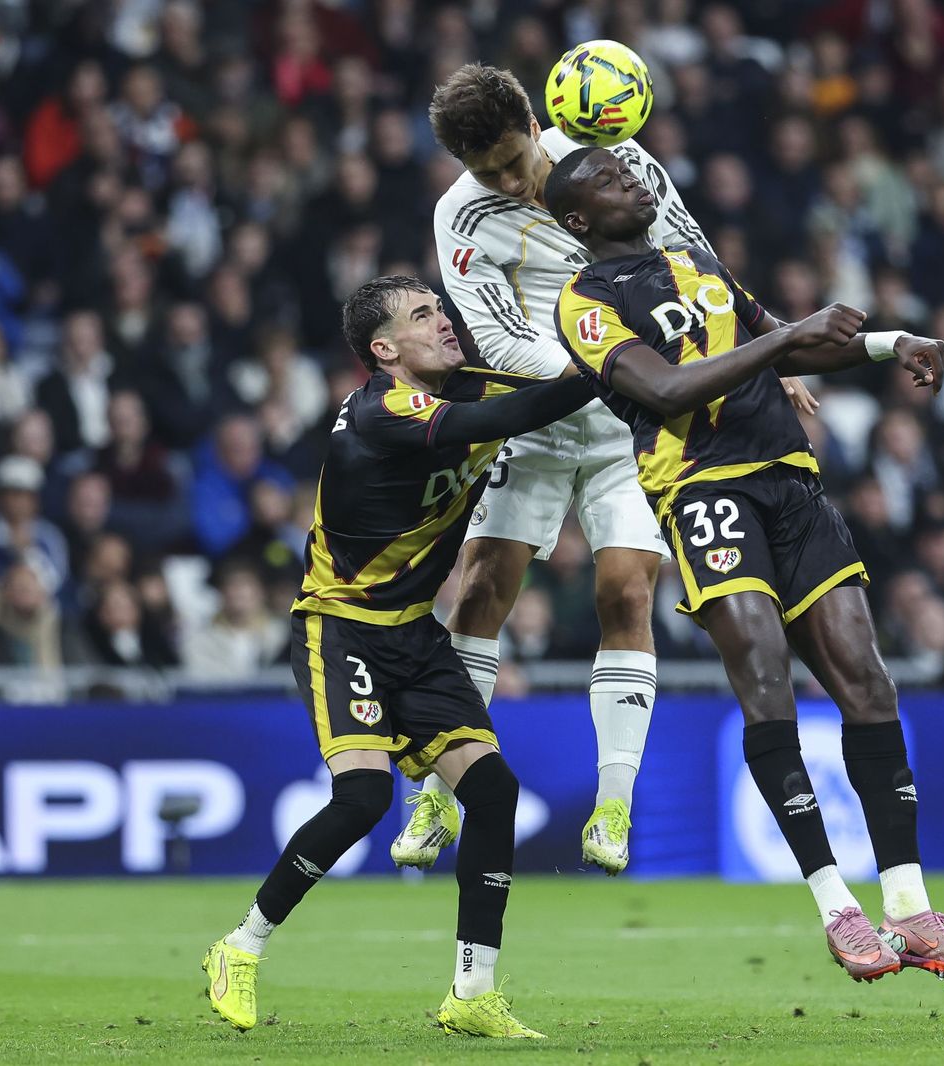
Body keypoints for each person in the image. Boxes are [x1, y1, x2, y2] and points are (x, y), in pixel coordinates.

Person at [542, 146, 944, 986]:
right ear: (577, 220)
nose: (632, 180)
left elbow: (787, 351)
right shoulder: (585, 301)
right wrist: (786, 334)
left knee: (868, 682)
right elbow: (669, 390)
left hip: (791, 482)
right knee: (764, 672)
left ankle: (909, 908)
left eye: (629, 172)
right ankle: (837, 908)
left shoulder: (697, 262)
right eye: (607, 180)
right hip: (702, 487)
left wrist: (888, 342)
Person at [393, 63, 816, 876]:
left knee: (626, 592)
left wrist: (771, 346)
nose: (512, 183)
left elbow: (694, 258)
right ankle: (439, 794)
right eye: (491, 174)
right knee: (480, 589)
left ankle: (613, 808)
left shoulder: (611, 156)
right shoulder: (462, 216)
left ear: (533, 123)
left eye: (517, 162)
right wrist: (614, 363)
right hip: (549, 410)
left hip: (640, 419)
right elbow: (495, 336)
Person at [202, 275, 592, 1038]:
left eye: (440, 308)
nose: (443, 321)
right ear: (383, 351)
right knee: (364, 801)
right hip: (341, 624)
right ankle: (239, 947)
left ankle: (472, 993)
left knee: (494, 791)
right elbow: (524, 409)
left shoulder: (464, 383)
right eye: (422, 316)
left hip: (413, 630)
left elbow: (536, 389)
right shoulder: (381, 411)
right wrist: (604, 365)